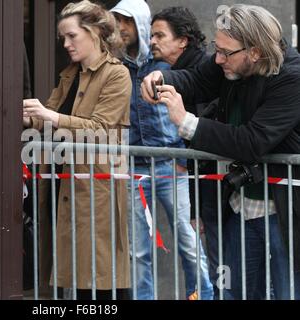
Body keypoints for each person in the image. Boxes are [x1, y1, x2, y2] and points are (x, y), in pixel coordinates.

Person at [142, 4, 300, 299]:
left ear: (254, 52)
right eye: (217, 48)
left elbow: (252, 141)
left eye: (226, 53)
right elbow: (198, 80)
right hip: (240, 207)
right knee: (235, 292)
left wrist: (186, 122)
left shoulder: (292, 77)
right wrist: (161, 80)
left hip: (284, 213)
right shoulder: (229, 61)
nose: (218, 58)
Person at [23, 0, 131, 299]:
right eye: (63, 38)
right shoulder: (70, 73)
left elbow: (102, 130)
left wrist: (50, 116)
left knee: (99, 277)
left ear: (95, 33)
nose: (66, 44)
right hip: (63, 181)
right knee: (70, 271)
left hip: (95, 188)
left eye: (72, 36)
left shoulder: (117, 74)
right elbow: (50, 116)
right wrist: (29, 117)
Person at [111, 0, 213, 300]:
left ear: (139, 23)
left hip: (172, 164)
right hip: (134, 167)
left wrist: (184, 157)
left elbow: (197, 111)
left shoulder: (172, 65)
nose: (119, 28)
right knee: (138, 249)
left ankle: (203, 297)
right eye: (116, 21)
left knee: (188, 241)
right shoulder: (119, 66)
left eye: (125, 21)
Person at [150, 6, 220, 298]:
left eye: (159, 35)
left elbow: (205, 138)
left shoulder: (205, 72)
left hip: (218, 184)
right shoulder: (173, 71)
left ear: (183, 40)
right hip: (201, 183)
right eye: (151, 35)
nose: (152, 41)